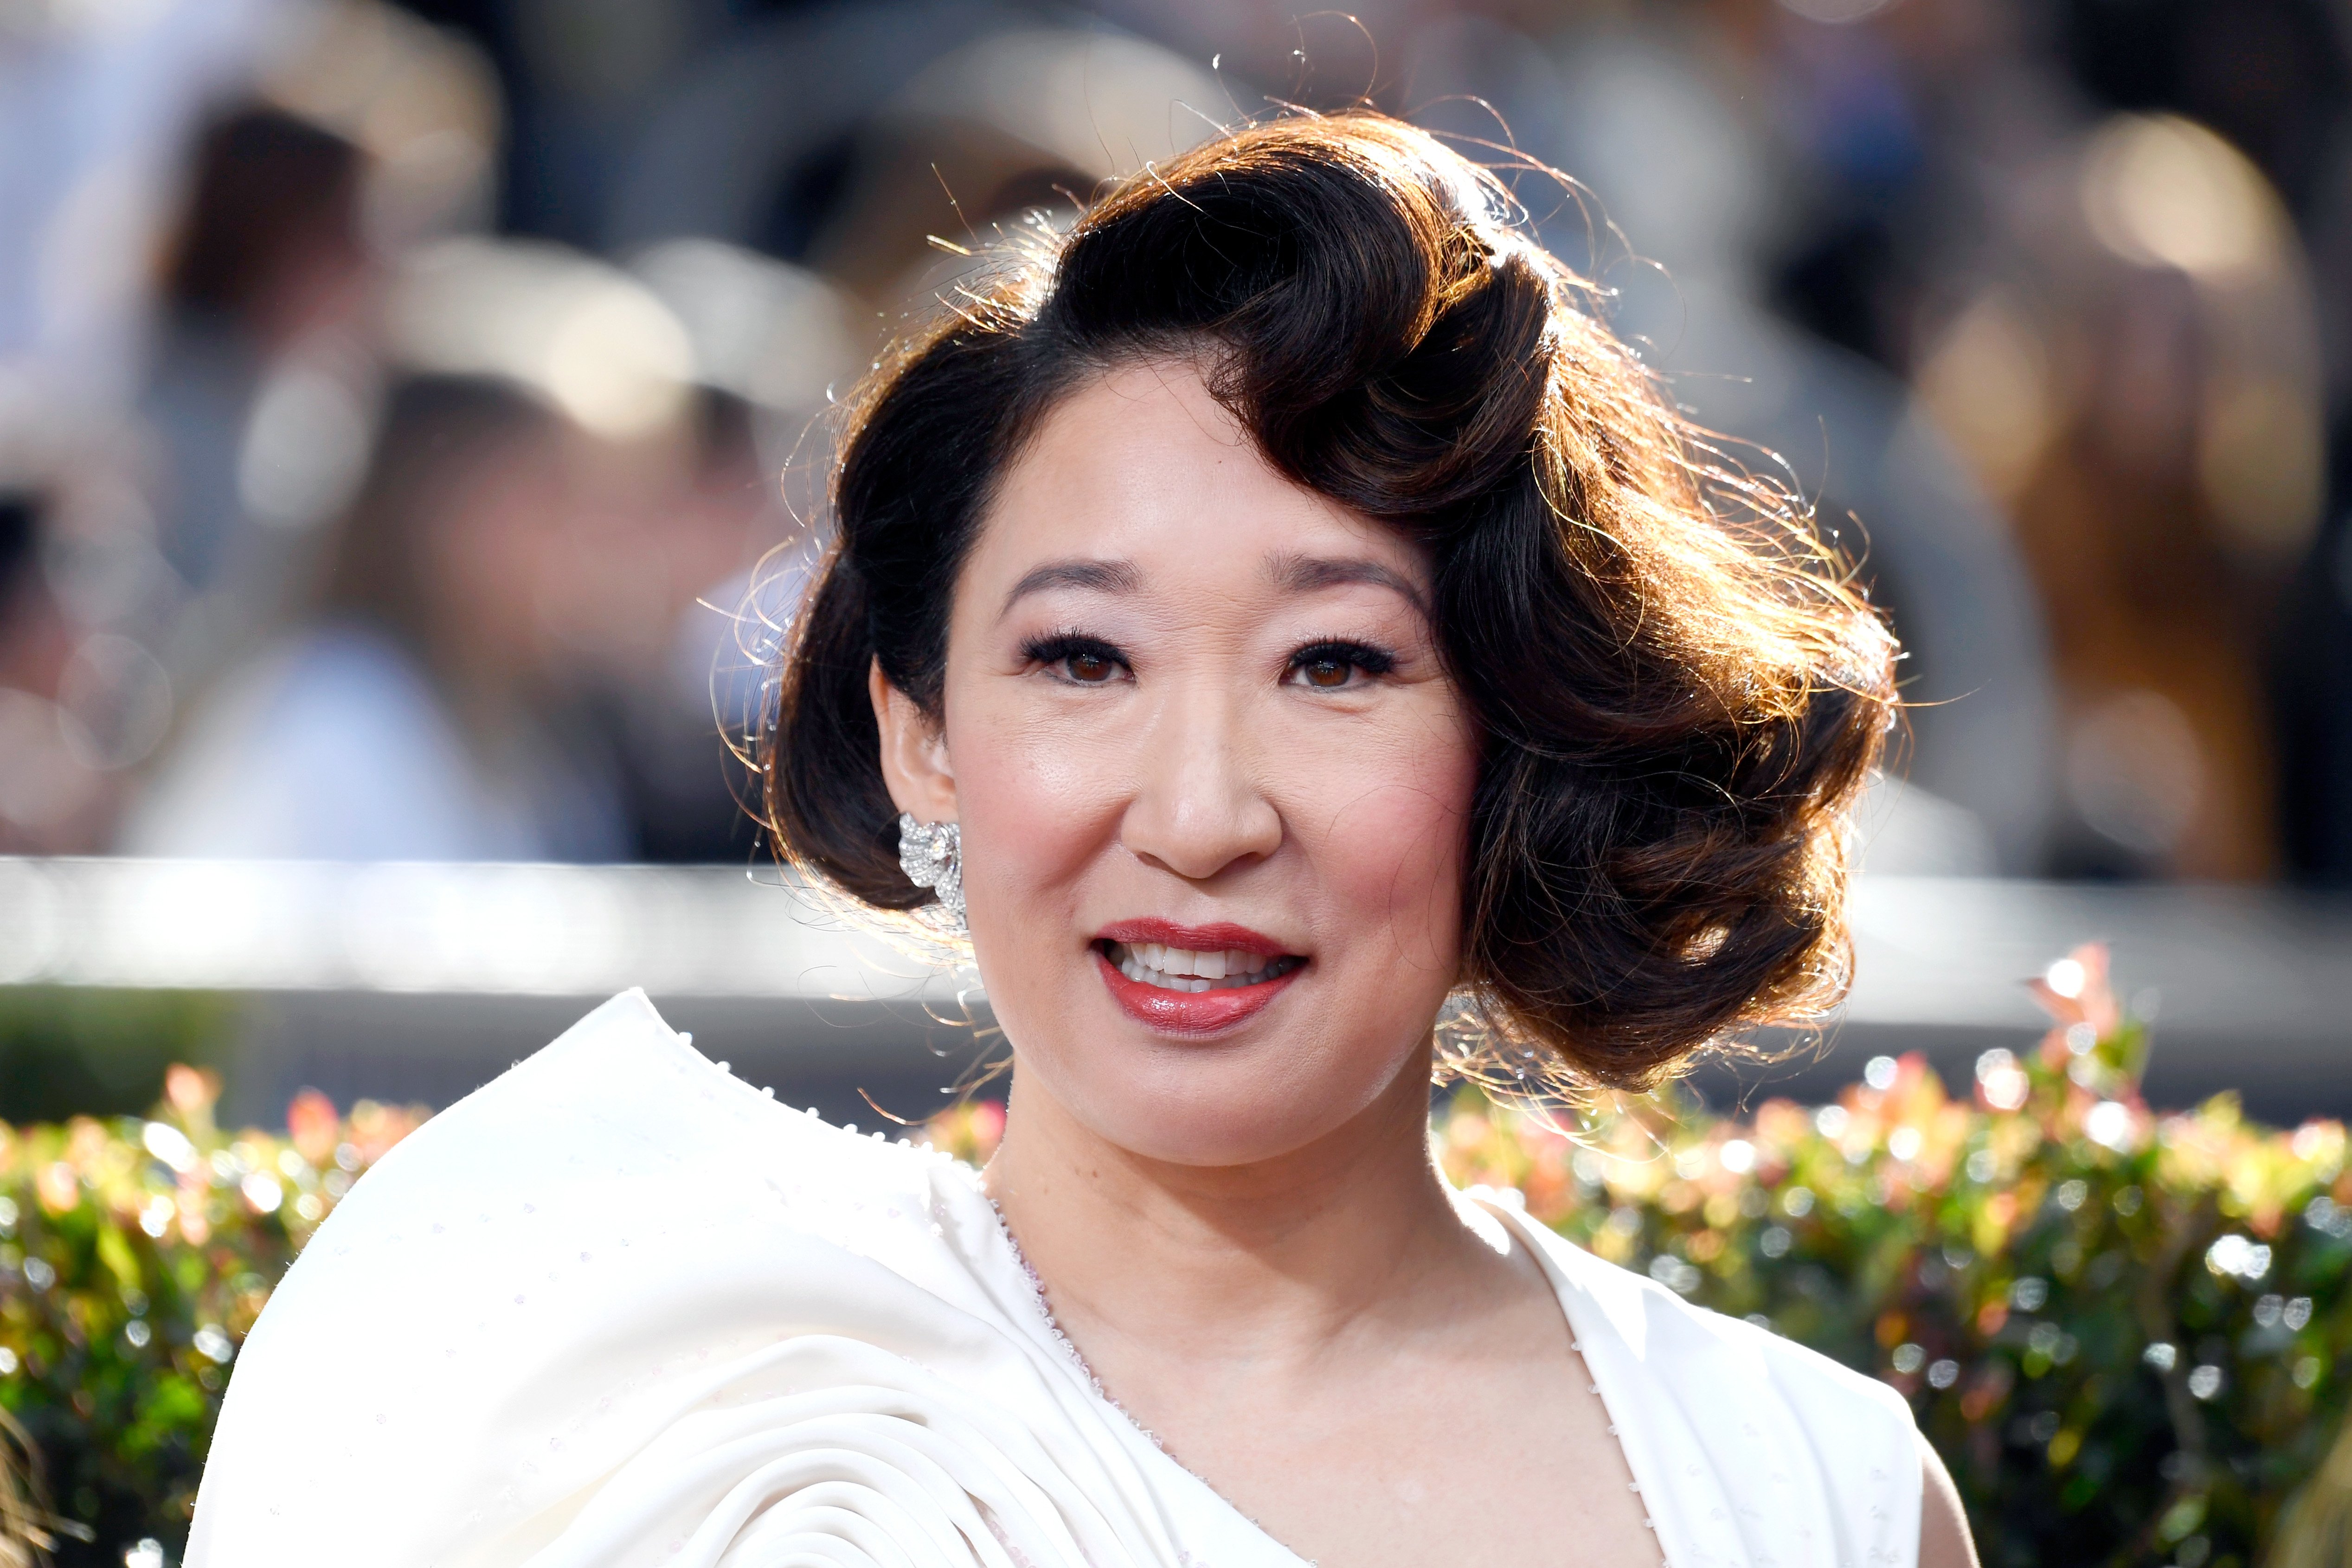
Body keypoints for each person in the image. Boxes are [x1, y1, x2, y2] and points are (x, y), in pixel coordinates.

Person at [190, 114, 1977, 1567]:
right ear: (920, 730)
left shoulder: (1802, 1495)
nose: (1196, 814)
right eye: (1079, 658)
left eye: (1333, 662)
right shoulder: (606, 1397)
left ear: (1515, 732)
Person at [124, 375, 630, 861]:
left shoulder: (537, 744)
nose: (582, 544)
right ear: (439, 518)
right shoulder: (336, 713)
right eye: (544, 502)